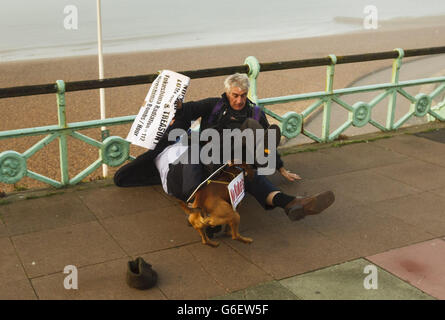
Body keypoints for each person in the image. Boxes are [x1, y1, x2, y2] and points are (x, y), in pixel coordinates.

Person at [114, 73, 335, 223]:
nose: (239, 100)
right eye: (235, 95)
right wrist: (176, 107)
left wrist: (280, 167)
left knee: (252, 175)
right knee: (241, 161)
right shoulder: (213, 105)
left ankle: (293, 204)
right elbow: (186, 112)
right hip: (214, 156)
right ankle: (254, 164)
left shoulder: (255, 112)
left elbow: (268, 141)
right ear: (227, 93)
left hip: (233, 161)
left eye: (243, 96)